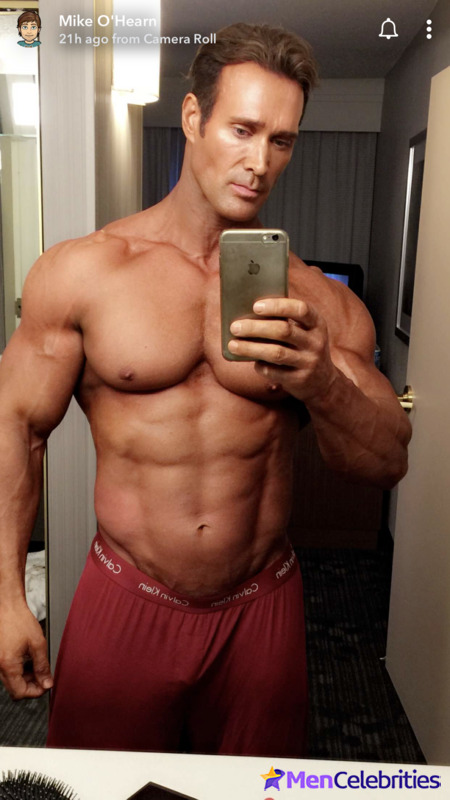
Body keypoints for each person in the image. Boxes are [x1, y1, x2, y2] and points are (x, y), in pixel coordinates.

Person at [0, 23, 411, 756]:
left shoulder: (321, 302)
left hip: (261, 606)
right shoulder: (84, 272)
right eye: (242, 130)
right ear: (193, 117)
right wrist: (5, 597)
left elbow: (386, 461)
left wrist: (320, 379)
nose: (260, 162)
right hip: (125, 596)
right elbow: (16, 428)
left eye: (281, 141)